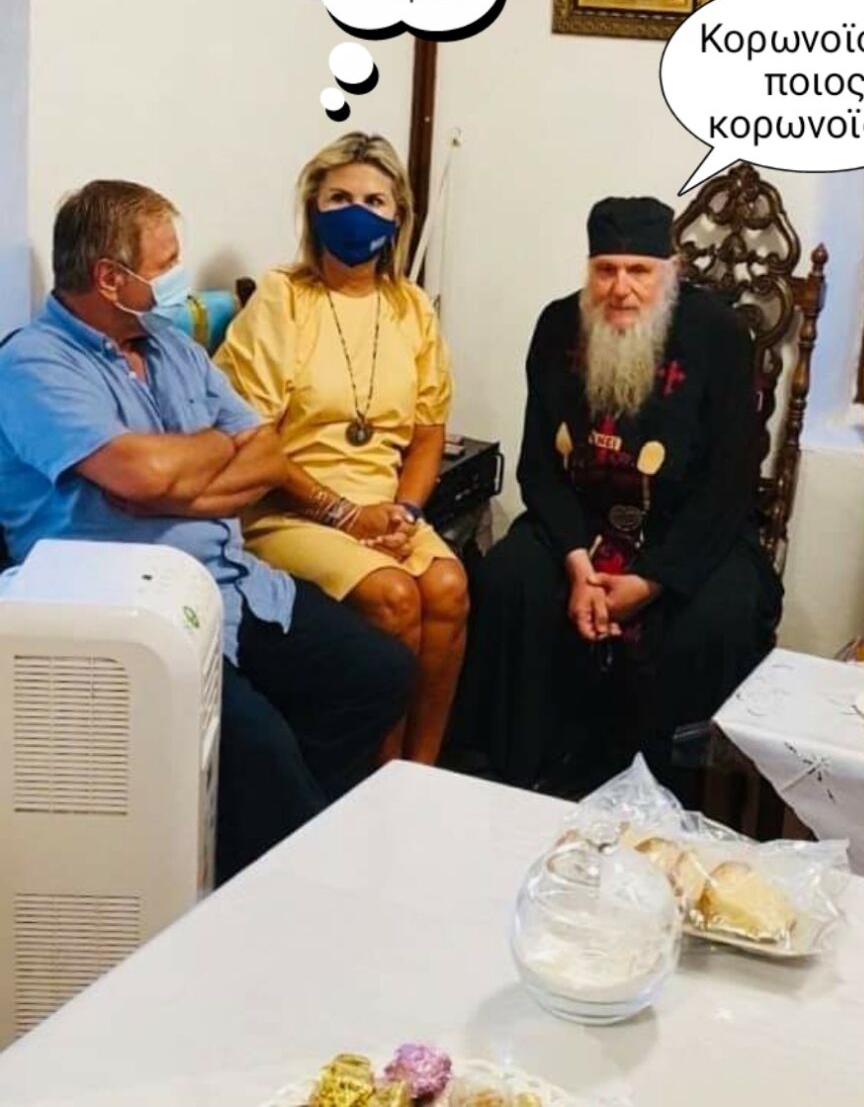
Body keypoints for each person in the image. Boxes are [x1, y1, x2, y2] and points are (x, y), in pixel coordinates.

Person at [0, 180, 413, 883]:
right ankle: (283, 861)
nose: (178, 279)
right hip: (134, 617)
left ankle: (273, 849)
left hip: (236, 585)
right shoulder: (33, 364)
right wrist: (210, 455)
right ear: (109, 277)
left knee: (379, 674)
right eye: (164, 264)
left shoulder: (170, 345)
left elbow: (267, 449)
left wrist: (177, 484)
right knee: (263, 750)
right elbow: (138, 473)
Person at [453, 196, 782, 802]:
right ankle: (516, 781)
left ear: (671, 270)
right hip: (582, 525)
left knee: (714, 621)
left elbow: (729, 485)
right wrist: (579, 567)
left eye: (639, 271)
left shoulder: (718, 335)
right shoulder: (559, 326)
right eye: (606, 270)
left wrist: (651, 581)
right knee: (507, 580)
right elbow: (539, 467)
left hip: (688, 534)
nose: (621, 288)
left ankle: (668, 800)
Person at [214, 133, 467, 765]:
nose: (357, 213)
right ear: (314, 208)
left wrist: (405, 512)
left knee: (448, 586)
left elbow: (428, 432)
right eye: (340, 198)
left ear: (398, 216)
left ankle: (422, 773)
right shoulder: (283, 298)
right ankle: (374, 784)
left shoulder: (411, 308)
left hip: (386, 511)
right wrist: (345, 514)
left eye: (374, 201)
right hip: (291, 509)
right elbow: (253, 440)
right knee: (395, 596)